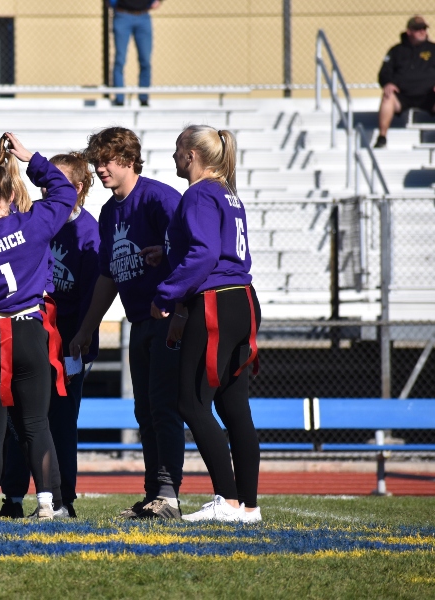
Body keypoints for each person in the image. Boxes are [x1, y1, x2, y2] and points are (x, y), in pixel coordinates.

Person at [68, 126, 184, 520]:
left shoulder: (158, 198)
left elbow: (193, 251)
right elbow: (108, 276)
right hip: (139, 321)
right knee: (145, 410)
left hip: (169, 317)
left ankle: (169, 496)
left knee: (165, 408)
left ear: (130, 160)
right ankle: (155, 494)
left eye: (107, 160)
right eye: (96, 161)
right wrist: (88, 327)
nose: (100, 168)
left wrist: (176, 300)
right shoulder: (108, 211)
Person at [0, 133, 77, 521]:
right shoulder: (35, 222)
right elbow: (64, 193)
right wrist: (33, 159)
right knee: (36, 423)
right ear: (12, 189)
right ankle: (50, 502)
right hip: (30, 330)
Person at [151, 125, 261, 523]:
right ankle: (248, 505)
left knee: (191, 402)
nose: (174, 157)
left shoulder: (198, 192)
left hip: (216, 302)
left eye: (178, 150)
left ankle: (229, 501)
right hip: (243, 299)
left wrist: (166, 294)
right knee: (234, 408)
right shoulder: (227, 192)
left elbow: (203, 252)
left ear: (192, 155)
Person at [0, 152, 100, 518]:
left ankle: (63, 499)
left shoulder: (87, 231)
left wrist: (83, 338)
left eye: (53, 182)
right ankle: (11, 495)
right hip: (29, 335)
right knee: (18, 419)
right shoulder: (35, 218)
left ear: (76, 187)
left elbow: (93, 294)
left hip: (68, 342)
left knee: (59, 421)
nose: (44, 189)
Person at [374, 15, 435, 149]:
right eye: (418, 29)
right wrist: (388, 83)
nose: (422, 31)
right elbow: (384, 73)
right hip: (403, 96)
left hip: (431, 96)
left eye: (424, 28)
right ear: (409, 31)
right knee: (387, 96)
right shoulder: (396, 51)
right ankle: (382, 137)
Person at [111, 0, 163, 107]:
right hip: (122, 15)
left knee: (145, 61)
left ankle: (144, 99)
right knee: (120, 60)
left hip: (143, 16)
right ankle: (119, 99)